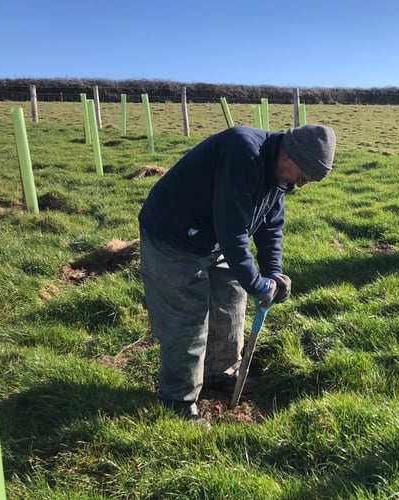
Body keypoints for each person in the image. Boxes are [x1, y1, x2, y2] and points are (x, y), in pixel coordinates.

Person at [138, 124, 336, 427]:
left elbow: (270, 228)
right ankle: (176, 399)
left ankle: (219, 371)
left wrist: (273, 273)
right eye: (302, 177)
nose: (299, 185)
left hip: (212, 236)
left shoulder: (278, 176)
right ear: (292, 154)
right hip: (173, 234)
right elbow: (234, 232)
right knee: (187, 320)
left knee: (231, 299)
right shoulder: (243, 152)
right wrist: (258, 284)